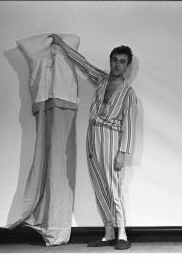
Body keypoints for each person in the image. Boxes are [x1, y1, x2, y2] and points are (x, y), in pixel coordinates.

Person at [49, 34, 137, 250]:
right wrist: (62, 45)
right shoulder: (101, 79)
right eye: (114, 60)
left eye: (122, 61)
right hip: (93, 136)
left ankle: (122, 234)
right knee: (98, 185)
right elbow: (83, 64)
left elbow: (130, 125)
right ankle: (108, 233)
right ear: (111, 61)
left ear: (127, 66)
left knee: (114, 188)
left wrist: (122, 152)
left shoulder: (129, 93)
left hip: (111, 138)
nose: (117, 65)